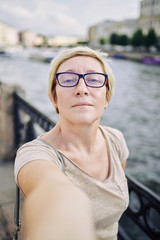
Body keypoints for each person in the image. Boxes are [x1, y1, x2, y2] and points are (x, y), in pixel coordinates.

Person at [14, 46, 129, 240]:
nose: (82, 89)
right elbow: (51, 191)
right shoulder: (34, 154)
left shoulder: (116, 140)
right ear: (54, 98)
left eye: (94, 80)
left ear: (107, 96)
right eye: (68, 80)